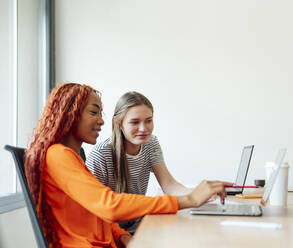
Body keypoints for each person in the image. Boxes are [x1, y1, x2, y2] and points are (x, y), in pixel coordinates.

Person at [25, 83, 230, 248]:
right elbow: (110, 206)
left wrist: (122, 236)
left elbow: (96, 212)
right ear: (70, 114)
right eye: (93, 112)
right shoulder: (59, 156)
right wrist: (189, 199)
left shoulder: (71, 157)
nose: (101, 121)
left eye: (100, 114)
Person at [85, 91, 197, 232]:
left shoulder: (151, 143)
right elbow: (94, 209)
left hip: (137, 226)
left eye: (148, 120)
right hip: (110, 232)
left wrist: (199, 195)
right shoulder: (101, 154)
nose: (144, 129)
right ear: (119, 124)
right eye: (135, 122)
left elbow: (168, 184)